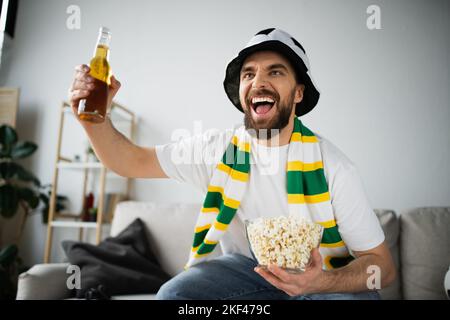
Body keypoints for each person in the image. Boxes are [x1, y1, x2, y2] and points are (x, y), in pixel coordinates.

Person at [68, 28, 396, 300]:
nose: (259, 81)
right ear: (241, 92)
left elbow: (382, 266)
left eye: (275, 71)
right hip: (252, 272)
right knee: (175, 296)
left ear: (298, 93)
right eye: (249, 73)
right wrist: (93, 119)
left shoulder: (334, 167)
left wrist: (317, 282)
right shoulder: (218, 150)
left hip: (326, 276)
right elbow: (131, 161)